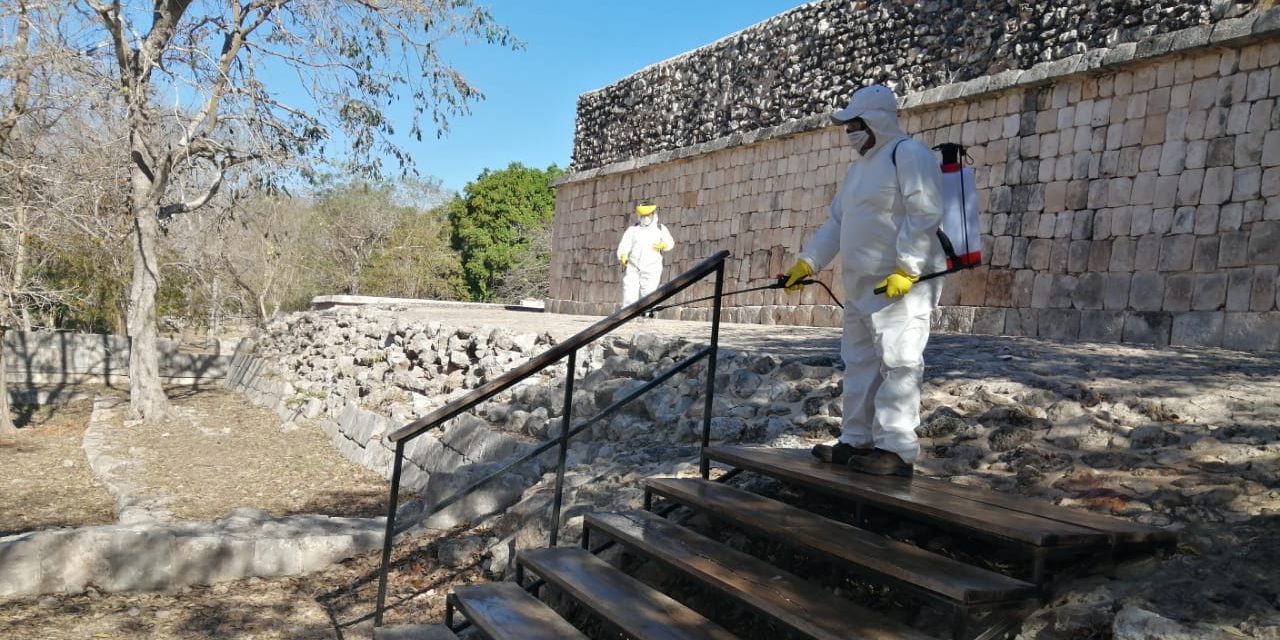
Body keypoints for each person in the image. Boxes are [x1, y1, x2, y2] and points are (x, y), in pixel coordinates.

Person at [783, 84, 946, 477]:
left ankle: (896, 449)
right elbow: (837, 223)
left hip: (902, 285)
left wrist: (907, 269)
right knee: (858, 362)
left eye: (855, 123)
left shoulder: (907, 154)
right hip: (860, 286)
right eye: (847, 125)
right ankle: (855, 439)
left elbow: (924, 213)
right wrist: (808, 262)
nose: (850, 132)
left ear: (877, 121)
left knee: (900, 361)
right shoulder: (857, 171)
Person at [617, 203, 674, 308]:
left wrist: (664, 245)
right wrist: (623, 255)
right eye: (643, 216)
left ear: (653, 214)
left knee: (649, 291)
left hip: (652, 266)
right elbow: (624, 245)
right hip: (633, 266)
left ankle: (647, 313)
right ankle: (628, 313)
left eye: (648, 215)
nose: (646, 218)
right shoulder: (633, 230)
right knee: (629, 289)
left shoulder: (660, 229)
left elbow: (670, 242)